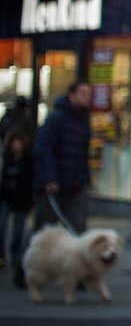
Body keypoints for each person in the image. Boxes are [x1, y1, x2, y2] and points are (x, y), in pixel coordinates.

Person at [33, 81, 92, 234]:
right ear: (71, 95)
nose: (86, 98)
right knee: (44, 232)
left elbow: (82, 153)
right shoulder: (56, 118)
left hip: (75, 186)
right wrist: (49, 178)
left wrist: (85, 178)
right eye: (83, 94)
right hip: (54, 185)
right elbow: (42, 148)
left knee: (76, 230)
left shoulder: (83, 121)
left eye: (89, 95)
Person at [2, 131, 35, 287]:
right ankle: (4, 255)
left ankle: (16, 258)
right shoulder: (6, 159)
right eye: (14, 142)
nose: (16, 145)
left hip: (22, 200)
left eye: (19, 142)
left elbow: (30, 181)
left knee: (18, 230)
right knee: (2, 226)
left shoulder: (28, 161)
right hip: (6, 198)